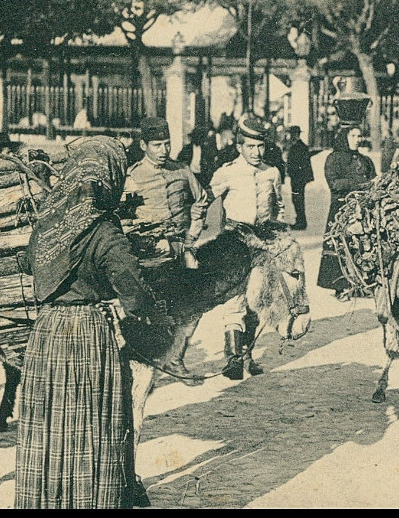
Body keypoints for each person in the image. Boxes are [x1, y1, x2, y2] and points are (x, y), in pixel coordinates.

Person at [15, 136, 163, 509]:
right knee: (93, 425)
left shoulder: (48, 224)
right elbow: (133, 292)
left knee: (49, 427)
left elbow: (30, 263)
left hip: (46, 333)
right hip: (87, 333)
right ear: (110, 179)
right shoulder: (105, 231)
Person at [121, 117, 211, 384]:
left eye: (166, 144)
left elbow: (202, 200)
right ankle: (146, 361)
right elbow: (123, 217)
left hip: (181, 248)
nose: (163, 150)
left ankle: (176, 358)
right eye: (157, 145)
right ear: (143, 145)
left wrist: (193, 233)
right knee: (150, 310)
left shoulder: (181, 170)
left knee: (193, 304)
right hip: (147, 254)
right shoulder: (133, 176)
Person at [209, 115, 290, 380]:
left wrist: (278, 231)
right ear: (240, 147)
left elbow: (278, 205)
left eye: (260, 147)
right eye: (250, 147)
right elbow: (204, 201)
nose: (256, 152)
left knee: (256, 301)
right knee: (234, 299)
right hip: (234, 242)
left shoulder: (272, 172)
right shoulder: (227, 172)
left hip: (262, 243)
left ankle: (249, 355)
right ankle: (233, 359)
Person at [317, 125, 377, 300]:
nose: (357, 139)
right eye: (353, 135)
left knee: (364, 243)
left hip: (364, 208)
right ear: (344, 137)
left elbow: (373, 178)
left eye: (359, 136)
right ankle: (340, 285)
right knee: (341, 244)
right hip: (341, 207)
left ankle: (364, 283)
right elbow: (334, 183)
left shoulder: (365, 159)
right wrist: (359, 184)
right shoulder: (333, 159)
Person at [285, 125, 314, 230]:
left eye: (292, 134)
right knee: (297, 199)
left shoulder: (299, 146)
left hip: (298, 178)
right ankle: (300, 220)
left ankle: (301, 222)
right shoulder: (298, 146)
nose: (291, 136)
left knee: (298, 199)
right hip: (297, 177)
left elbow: (301, 164)